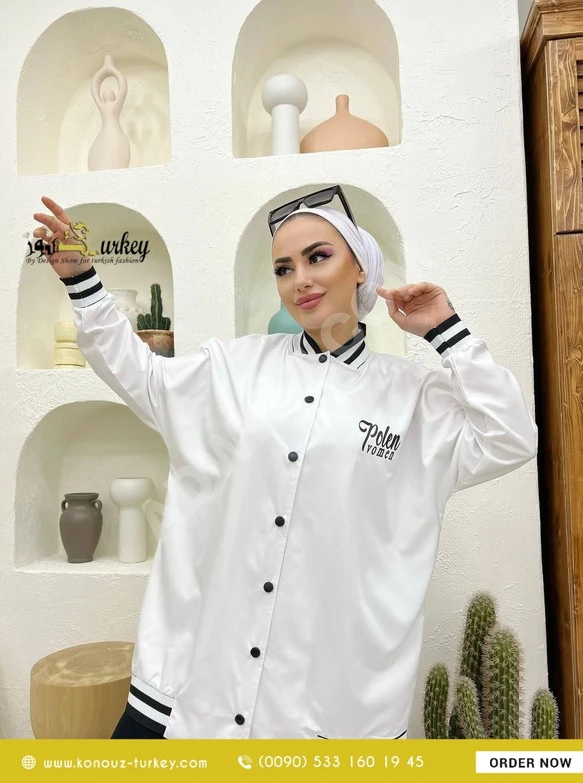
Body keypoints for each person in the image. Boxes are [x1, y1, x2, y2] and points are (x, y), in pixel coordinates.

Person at [31, 186, 538, 740]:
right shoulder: (233, 366)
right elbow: (143, 376)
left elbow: (511, 437)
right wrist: (82, 281)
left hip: (330, 711)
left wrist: (447, 330)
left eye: (318, 257)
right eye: (283, 268)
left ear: (361, 269)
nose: (300, 280)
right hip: (194, 691)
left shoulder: (415, 397)